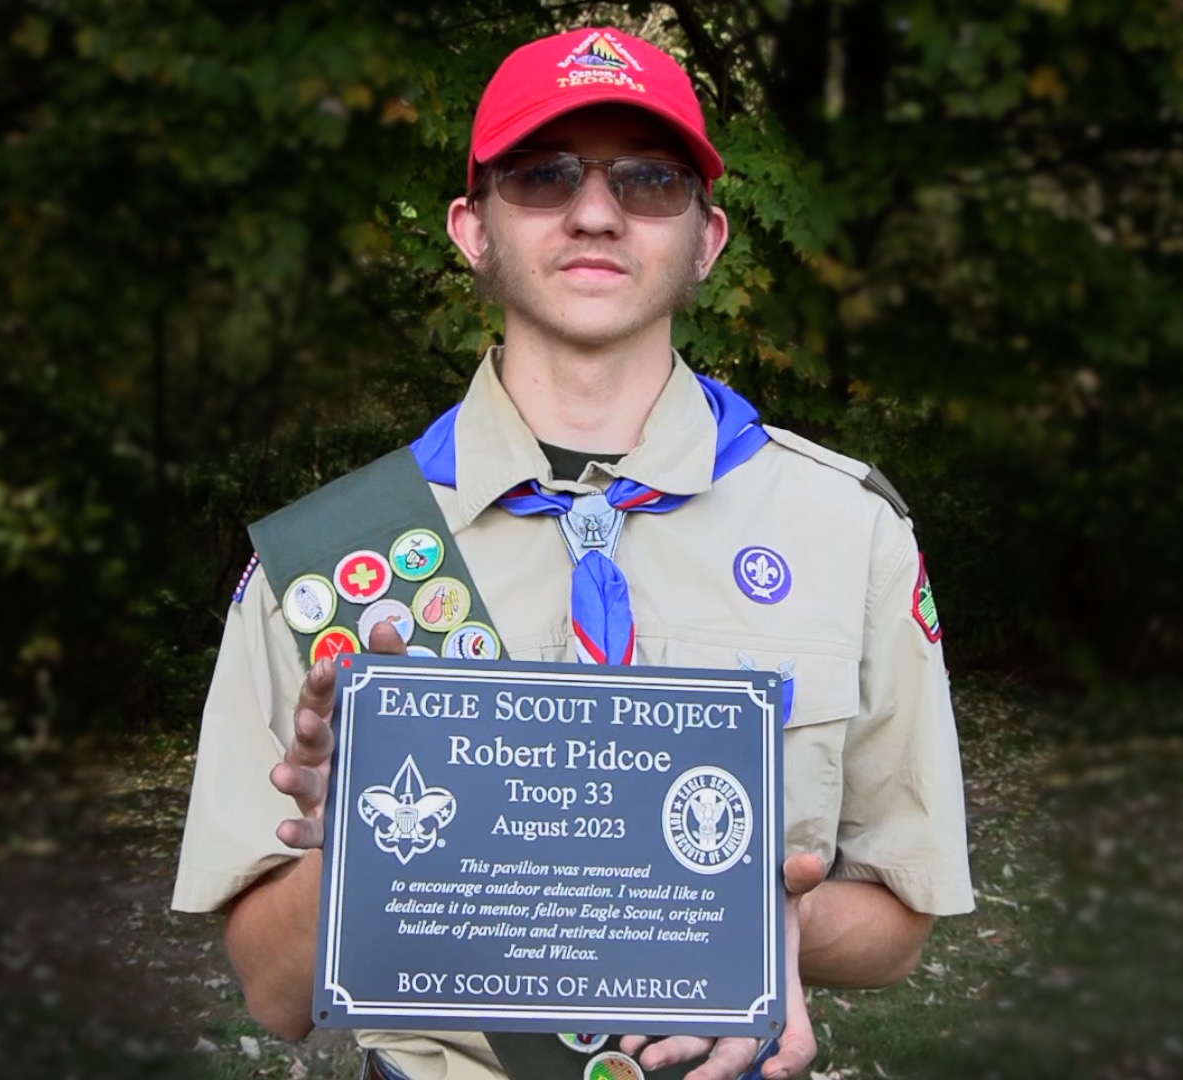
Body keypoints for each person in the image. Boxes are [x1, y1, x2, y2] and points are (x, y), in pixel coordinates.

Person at [172, 25, 974, 1080]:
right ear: (472, 228)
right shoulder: (331, 563)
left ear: (707, 238)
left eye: (648, 181)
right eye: (543, 175)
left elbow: (900, 923)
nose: (595, 212)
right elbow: (275, 997)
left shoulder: (848, 529)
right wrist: (372, 852)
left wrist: (750, 926)